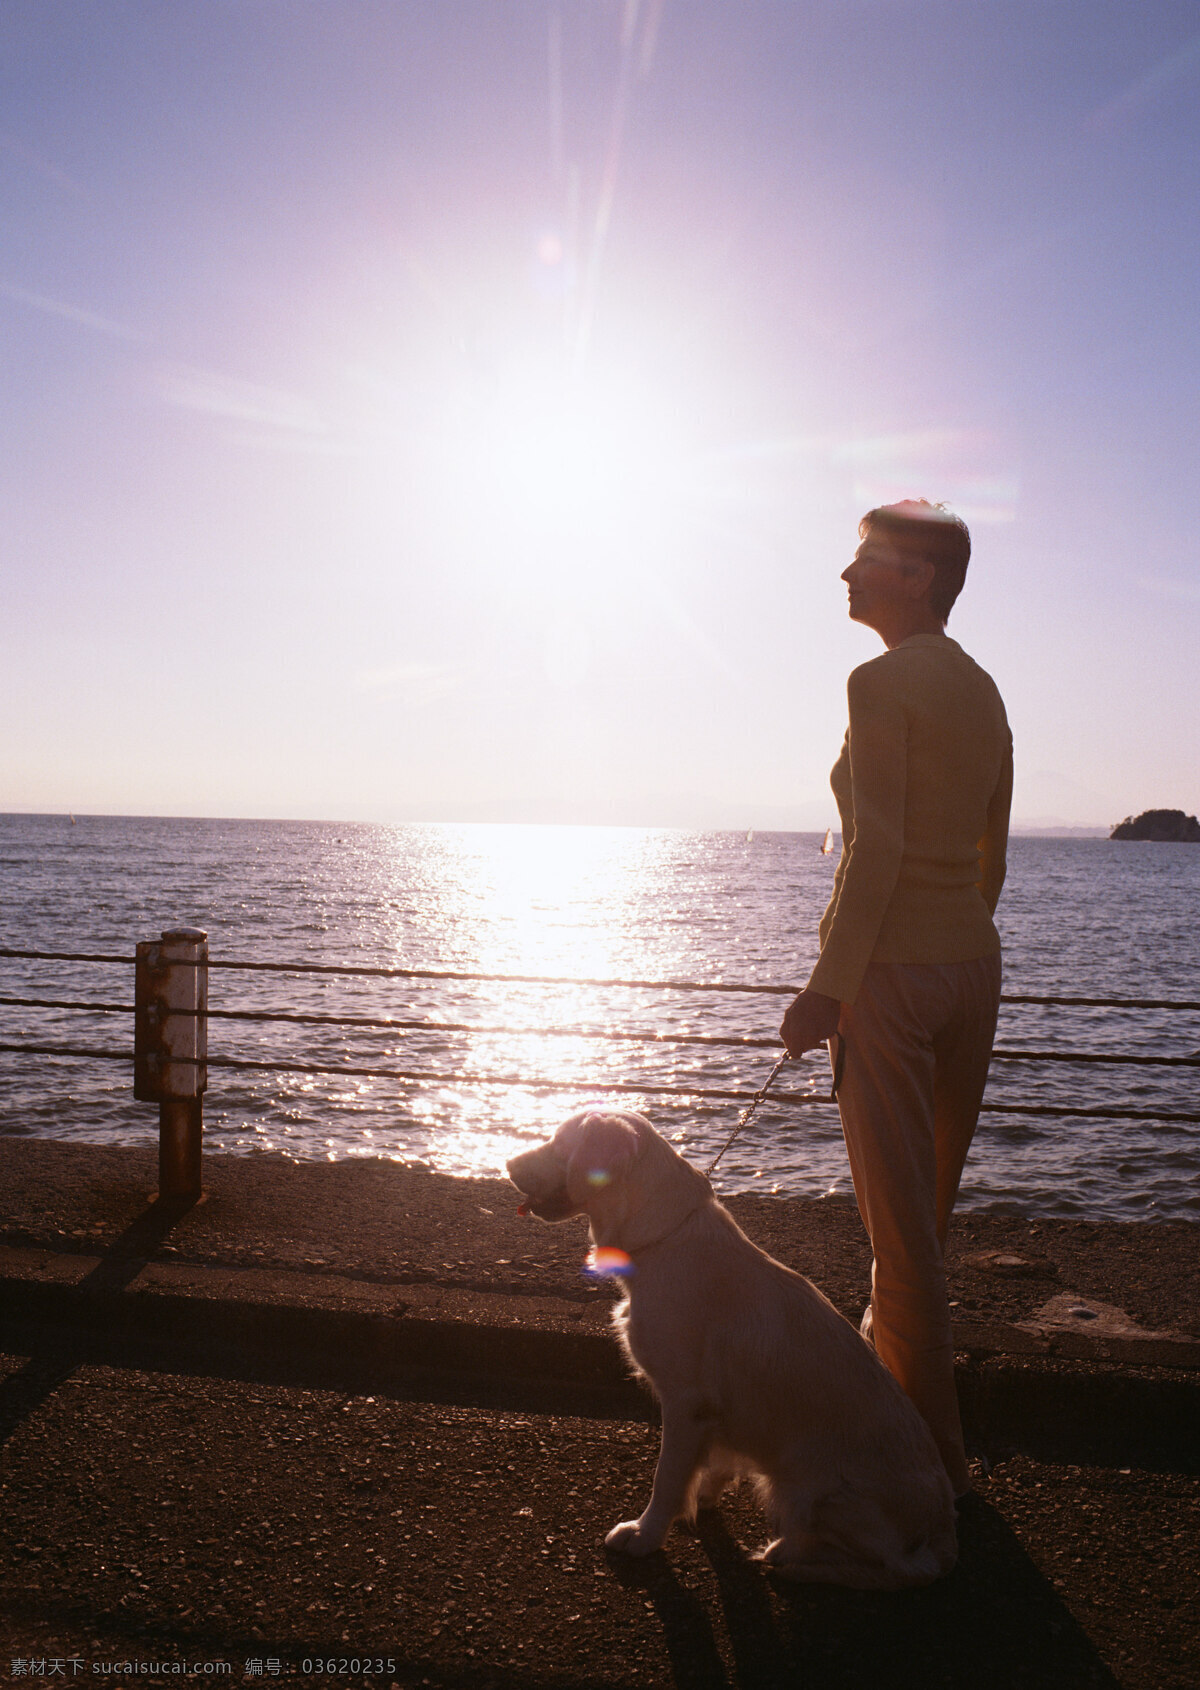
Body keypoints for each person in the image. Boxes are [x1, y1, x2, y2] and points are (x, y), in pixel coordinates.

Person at [780, 499, 1012, 1499]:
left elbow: (872, 847)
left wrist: (826, 988)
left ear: (917, 576)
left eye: (866, 556)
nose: (846, 572)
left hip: (894, 978)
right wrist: (961, 934)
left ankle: (930, 1484)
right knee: (928, 1223)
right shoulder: (984, 688)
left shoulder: (877, 680)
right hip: (971, 966)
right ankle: (891, 1412)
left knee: (900, 1240)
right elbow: (990, 845)